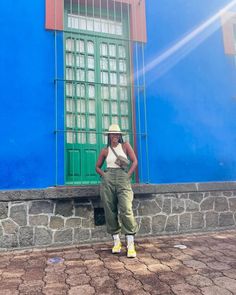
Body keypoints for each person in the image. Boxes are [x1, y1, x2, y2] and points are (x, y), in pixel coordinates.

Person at [95, 124, 139, 258]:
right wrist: (104, 175)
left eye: (117, 134)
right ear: (109, 136)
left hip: (123, 178)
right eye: (112, 134)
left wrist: (128, 175)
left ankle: (130, 244)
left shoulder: (125, 146)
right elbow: (97, 167)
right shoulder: (105, 151)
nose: (115, 136)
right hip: (108, 180)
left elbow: (134, 161)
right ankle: (116, 242)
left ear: (120, 135)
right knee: (110, 210)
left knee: (126, 208)